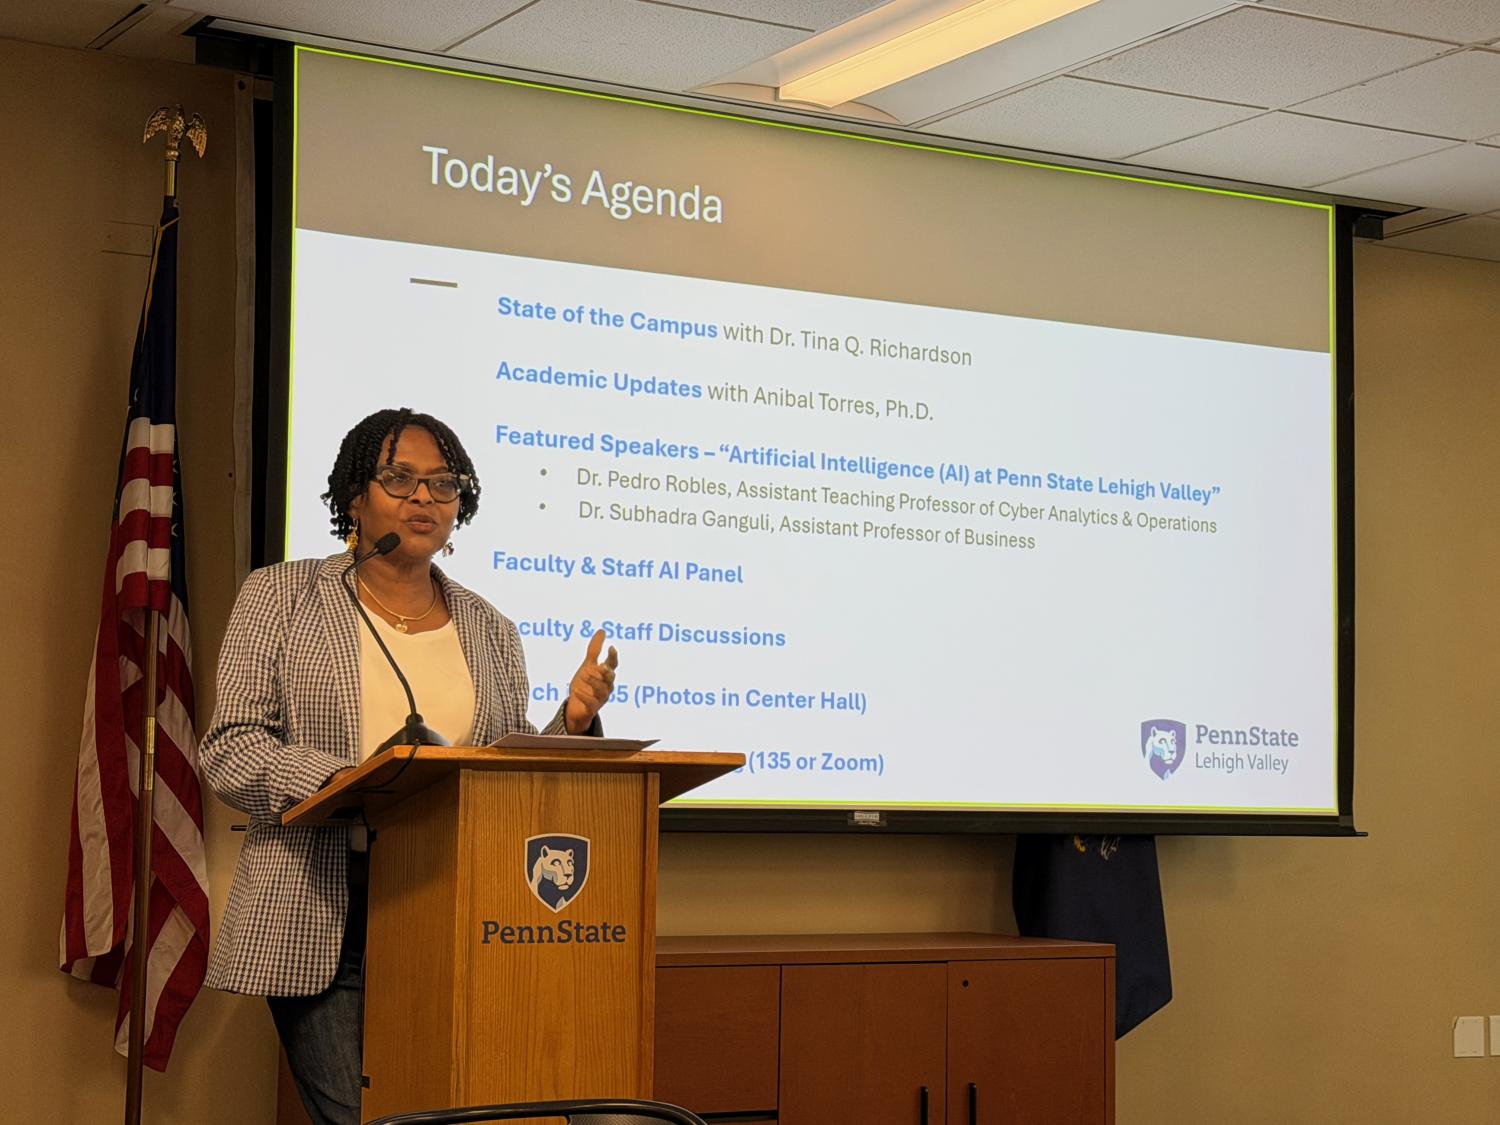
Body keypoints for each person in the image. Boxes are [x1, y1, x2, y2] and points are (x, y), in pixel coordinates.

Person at [200, 408, 617, 1125]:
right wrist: (337, 779)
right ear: (355, 496)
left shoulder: (489, 627)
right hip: (325, 906)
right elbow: (231, 744)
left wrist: (572, 723)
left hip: (458, 912)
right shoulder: (282, 596)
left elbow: (503, 773)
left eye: (443, 483)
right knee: (366, 1118)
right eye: (399, 478)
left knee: (454, 1112)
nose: (424, 497)